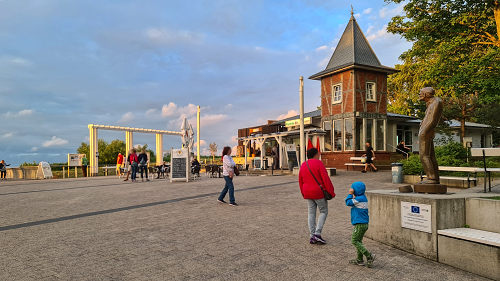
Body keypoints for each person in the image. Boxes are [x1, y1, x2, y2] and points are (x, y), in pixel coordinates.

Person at [299, 148, 335, 244]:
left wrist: (303, 193)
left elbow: (300, 180)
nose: (319, 155)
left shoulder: (303, 164)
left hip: (307, 192)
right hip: (318, 192)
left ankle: (312, 235)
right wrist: (331, 191)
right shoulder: (318, 163)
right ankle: (317, 234)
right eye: (318, 153)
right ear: (315, 154)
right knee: (323, 211)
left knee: (311, 213)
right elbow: (325, 178)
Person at [345, 181, 375, 268]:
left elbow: (348, 202)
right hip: (363, 223)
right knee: (359, 241)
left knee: (354, 240)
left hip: (360, 224)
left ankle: (369, 256)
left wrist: (350, 194)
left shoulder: (359, 199)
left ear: (355, 190)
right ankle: (359, 260)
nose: (351, 189)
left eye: (352, 188)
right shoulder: (362, 197)